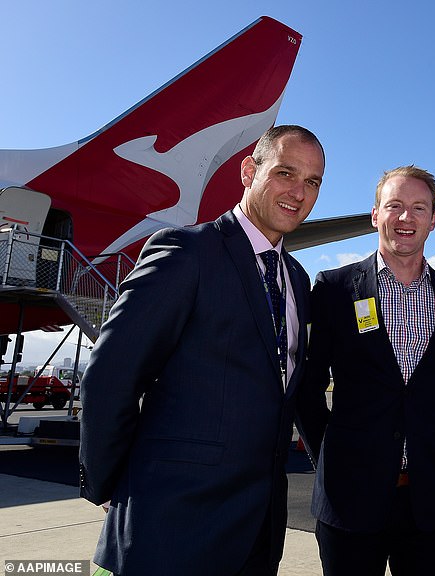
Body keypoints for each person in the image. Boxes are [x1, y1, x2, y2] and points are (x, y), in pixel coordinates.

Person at [79, 125, 325, 576]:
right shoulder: (186, 251)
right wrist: (111, 483)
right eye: (285, 173)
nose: (298, 191)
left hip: (258, 529)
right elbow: (111, 373)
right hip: (171, 522)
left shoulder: (296, 277)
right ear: (249, 171)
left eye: (312, 182)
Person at [296, 165, 435, 576]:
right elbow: (308, 387)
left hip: (428, 505)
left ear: (434, 220)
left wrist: (423, 434)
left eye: (418, 208)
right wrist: (335, 457)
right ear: (375, 214)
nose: (405, 217)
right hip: (348, 500)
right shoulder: (334, 288)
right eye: (394, 205)